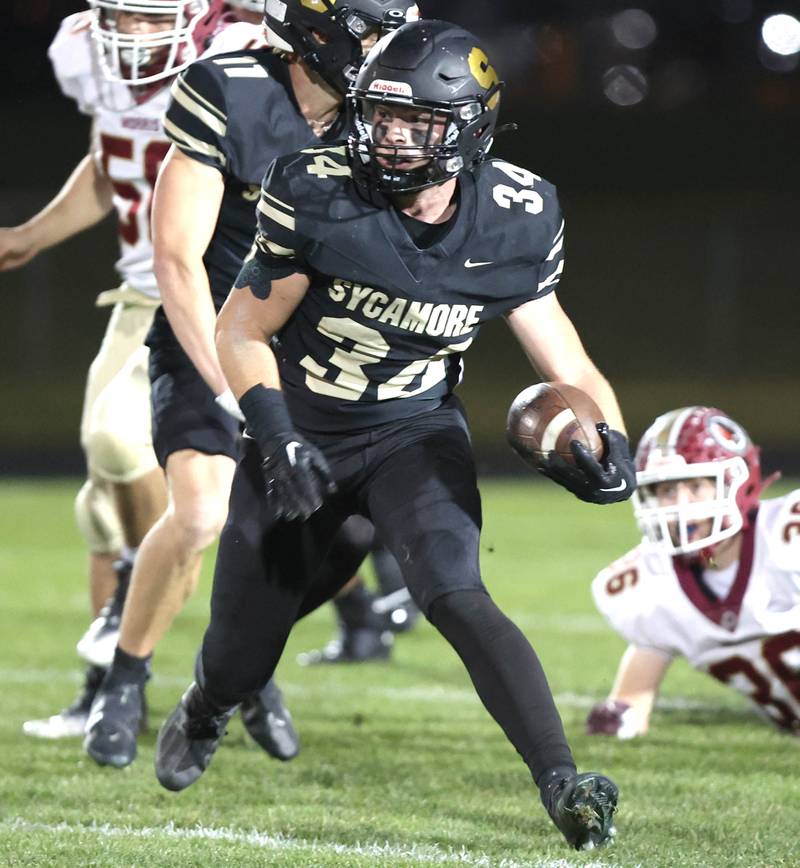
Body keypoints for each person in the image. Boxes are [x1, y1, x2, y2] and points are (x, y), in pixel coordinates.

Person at [154, 20, 637, 851]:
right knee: (242, 646)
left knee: (454, 590)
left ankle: (562, 781)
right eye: (379, 116)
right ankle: (208, 704)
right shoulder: (316, 187)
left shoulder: (516, 218)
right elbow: (240, 331)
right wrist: (273, 434)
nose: (388, 136)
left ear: (470, 130)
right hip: (299, 430)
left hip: (412, 432)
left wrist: (611, 442)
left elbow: (570, 358)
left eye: (415, 122)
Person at [84, 0, 422, 767]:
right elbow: (175, 257)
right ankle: (125, 680)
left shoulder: (387, 117)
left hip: (308, 353)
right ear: (319, 28)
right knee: (202, 513)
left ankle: (241, 672)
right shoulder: (231, 88)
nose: (386, 50)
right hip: (211, 332)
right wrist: (237, 391)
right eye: (372, 30)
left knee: (315, 538)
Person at [5, 1, 295, 754]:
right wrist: (31, 235)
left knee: (122, 453)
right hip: (140, 291)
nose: (133, 34)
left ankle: (181, 632)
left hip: (207, 291)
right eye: (120, 16)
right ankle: (105, 693)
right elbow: (113, 164)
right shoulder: (80, 50)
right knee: (104, 502)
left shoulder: (239, 53)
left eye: (149, 17)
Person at [586, 406, 800, 739]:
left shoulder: (788, 536)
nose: (678, 507)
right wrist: (618, 720)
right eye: (667, 491)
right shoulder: (650, 582)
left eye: (695, 487)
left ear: (737, 484)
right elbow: (630, 701)